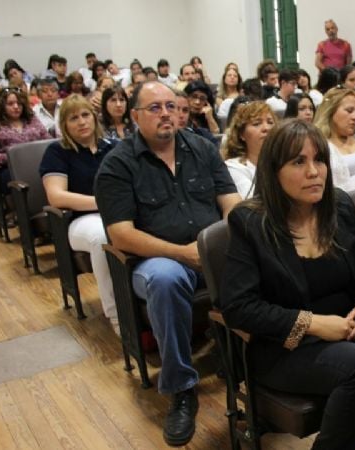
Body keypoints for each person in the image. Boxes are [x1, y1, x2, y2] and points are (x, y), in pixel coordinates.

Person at [220, 119, 355, 450]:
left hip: (349, 327)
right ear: (273, 171)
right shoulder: (250, 222)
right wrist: (313, 324)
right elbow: (238, 308)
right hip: (286, 347)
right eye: (298, 162)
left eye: (319, 159)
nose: (314, 171)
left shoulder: (339, 205)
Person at [94, 81, 241, 447]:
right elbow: (121, 235)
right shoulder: (118, 164)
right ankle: (181, 388)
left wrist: (223, 239)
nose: (166, 114)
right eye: (155, 108)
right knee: (166, 279)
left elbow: (231, 201)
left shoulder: (202, 148)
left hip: (207, 248)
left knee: (257, 253)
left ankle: (244, 361)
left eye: (171, 107)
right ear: (135, 117)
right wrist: (184, 253)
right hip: (156, 259)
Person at [39, 95, 119, 332]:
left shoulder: (113, 147)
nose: (82, 122)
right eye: (74, 118)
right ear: (64, 125)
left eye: (85, 115)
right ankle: (117, 315)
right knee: (102, 237)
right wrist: (101, 203)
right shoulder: (57, 152)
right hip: (80, 219)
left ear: (94, 118)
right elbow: (57, 197)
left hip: (117, 211)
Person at [0, 87, 52, 193]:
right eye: (10, 104)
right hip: (8, 167)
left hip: (36, 162)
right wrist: (13, 157)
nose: (16, 107)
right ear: (1, 106)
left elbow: (48, 141)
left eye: (19, 103)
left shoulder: (32, 119)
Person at [222, 101, 275, 199]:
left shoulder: (284, 163)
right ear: (242, 134)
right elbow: (252, 202)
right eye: (257, 123)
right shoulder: (233, 167)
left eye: (270, 122)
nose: (266, 128)